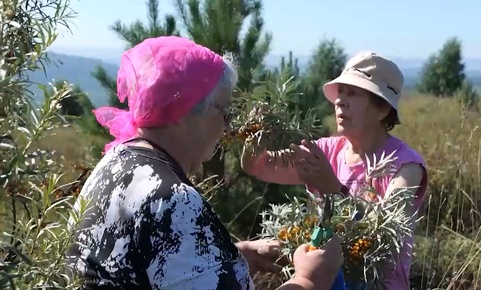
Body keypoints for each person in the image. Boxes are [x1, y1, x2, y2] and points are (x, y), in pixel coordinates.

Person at [65, 36, 344, 290]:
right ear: (183, 111)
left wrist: (230, 256)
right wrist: (309, 280)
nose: (226, 126)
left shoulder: (113, 162)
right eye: (223, 111)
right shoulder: (173, 199)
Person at [242, 51, 428, 289]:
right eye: (340, 91)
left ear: (382, 109)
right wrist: (254, 133)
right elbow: (258, 166)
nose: (340, 100)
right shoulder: (327, 151)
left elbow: (380, 234)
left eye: (353, 93)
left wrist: (335, 189)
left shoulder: (406, 168)